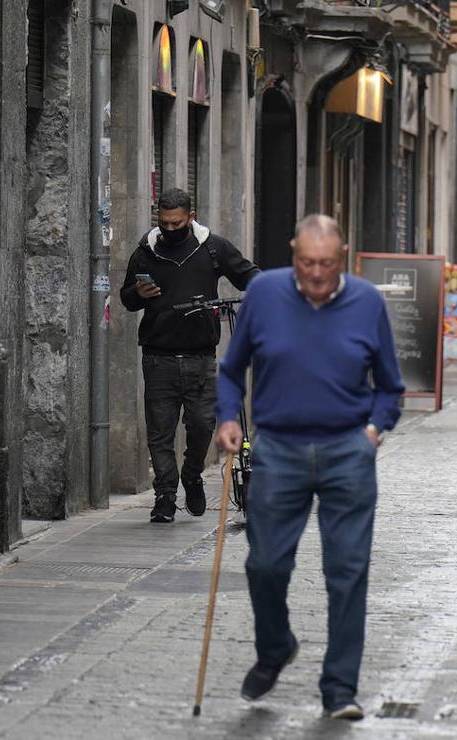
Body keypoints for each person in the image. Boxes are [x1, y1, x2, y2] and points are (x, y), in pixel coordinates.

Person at [214, 215, 405, 720]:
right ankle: (275, 647)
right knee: (266, 564)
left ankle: (339, 688)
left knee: (348, 572)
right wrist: (227, 418)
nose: (315, 274)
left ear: (341, 257)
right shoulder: (265, 294)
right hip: (278, 449)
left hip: (348, 450)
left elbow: (390, 386)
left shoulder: (366, 302)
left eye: (324, 264)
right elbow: (232, 370)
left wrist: (373, 431)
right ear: (292, 253)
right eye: (305, 262)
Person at [118, 188, 259, 524]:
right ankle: (165, 497)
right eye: (164, 223)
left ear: (190, 217)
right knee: (160, 432)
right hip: (158, 357)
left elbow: (248, 274)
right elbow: (127, 299)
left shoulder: (212, 247)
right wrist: (138, 293)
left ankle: (192, 475)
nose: (169, 229)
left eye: (176, 223)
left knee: (202, 424)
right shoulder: (145, 252)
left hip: (201, 357)